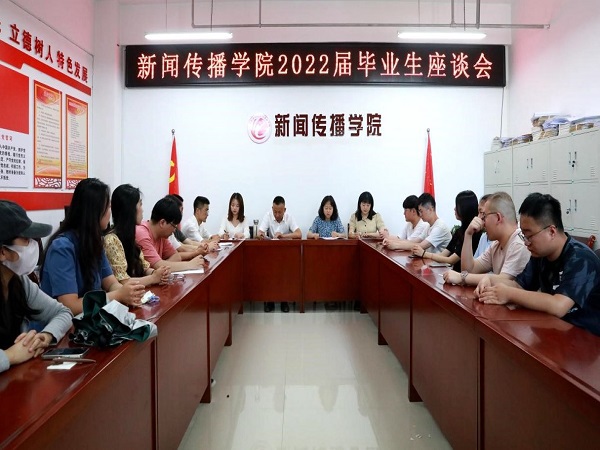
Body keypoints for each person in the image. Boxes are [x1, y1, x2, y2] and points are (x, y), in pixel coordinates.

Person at [476, 193, 600, 336]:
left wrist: (508, 294)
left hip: (587, 339)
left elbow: (558, 305)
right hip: (556, 330)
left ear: (551, 231)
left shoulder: (581, 259)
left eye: (529, 236)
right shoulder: (540, 254)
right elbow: (519, 285)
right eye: (523, 236)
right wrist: (490, 280)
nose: (526, 243)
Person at [40, 178, 145, 315]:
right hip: (62, 325)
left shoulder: (95, 241)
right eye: (108, 207)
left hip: (89, 318)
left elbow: (111, 283)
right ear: (95, 211)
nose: (110, 213)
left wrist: (127, 293)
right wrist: (119, 295)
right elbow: (70, 306)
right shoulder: (62, 248)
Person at [0, 201, 73, 373]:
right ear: (3, 252)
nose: (34, 245)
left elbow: (64, 313)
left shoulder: (20, 283)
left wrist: (45, 336)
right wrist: (10, 356)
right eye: (26, 239)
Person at [443, 191, 530, 286]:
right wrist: (468, 235)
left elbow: (503, 280)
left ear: (498, 218)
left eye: (484, 216)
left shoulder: (518, 243)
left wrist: (462, 277)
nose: (481, 221)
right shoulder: (496, 244)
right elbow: (469, 270)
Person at [104, 184, 170, 286]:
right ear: (130, 209)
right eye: (140, 204)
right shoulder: (111, 240)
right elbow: (123, 281)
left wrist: (157, 273)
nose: (142, 210)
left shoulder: (130, 236)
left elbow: (144, 267)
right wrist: (153, 278)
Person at [411, 190, 482, 271]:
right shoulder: (459, 231)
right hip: (453, 273)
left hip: (462, 275)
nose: (454, 209)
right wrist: (424, 254)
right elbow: (443, 255)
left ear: (465, 208)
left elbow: (451, 260)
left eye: (457, 206)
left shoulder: (474, 234)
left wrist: (424, 254)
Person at [135, 196, 205, 271]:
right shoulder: (141, 233)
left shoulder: (161, 235)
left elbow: (176, 256)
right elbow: (158, 265)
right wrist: (190, 265)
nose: (174, 231)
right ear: (162, 223)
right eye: (174, 226)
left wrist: (162, 266)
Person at [258, 196, 302, 313]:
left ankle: (284, 300)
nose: (277, 215)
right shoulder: (268, 216)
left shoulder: (289, 217)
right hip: (270, 253)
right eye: (275, 211)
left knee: (286, 273)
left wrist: (284, 236)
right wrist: (262, 235)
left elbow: (299, 234)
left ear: (284, 210)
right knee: (268, 271)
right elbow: (260, 232)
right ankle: (270, 301)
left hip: (285, 253)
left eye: (280, 212)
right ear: (272, 208)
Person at [474, 194, 492, 258]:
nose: (479, 217)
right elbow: (472, 263)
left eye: (481, 212)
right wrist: (468, 235)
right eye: (478, 213)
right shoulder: (483, 237)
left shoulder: (498, 241)